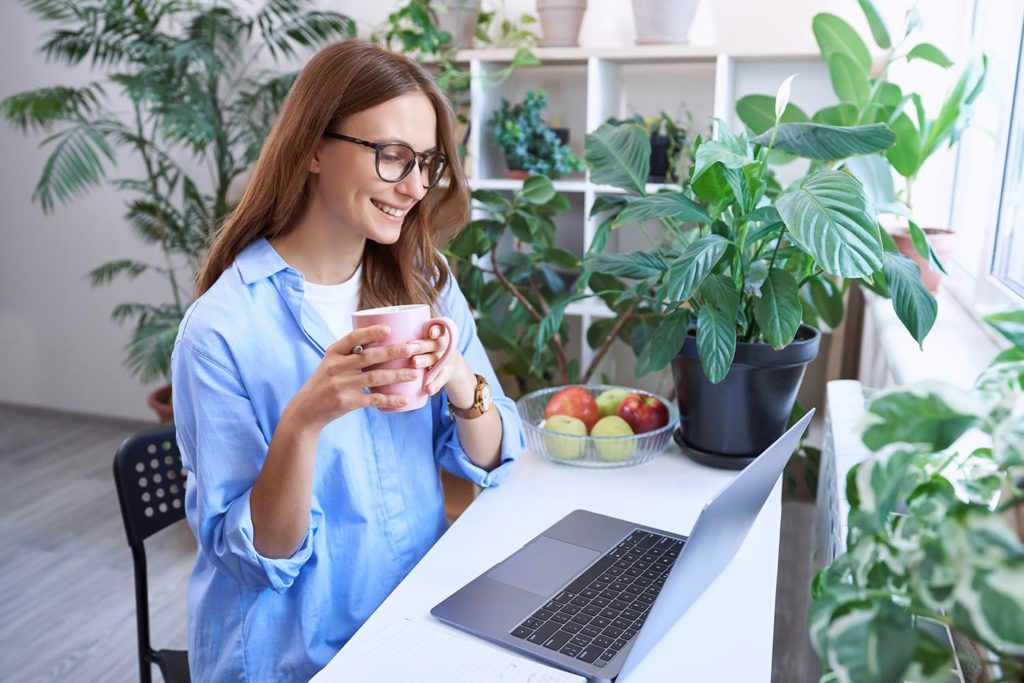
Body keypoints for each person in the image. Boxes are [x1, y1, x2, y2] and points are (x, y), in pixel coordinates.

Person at [170, 40, 524, 682]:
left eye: (426, 162)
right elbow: (258, 558)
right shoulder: (221, 330)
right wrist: (303, 421)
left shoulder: (426, 283)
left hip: (411, 622)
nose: (415, 186)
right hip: (293, 658)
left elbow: (494, 458)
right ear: (313, 146)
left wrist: (457, 377)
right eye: (392, 156)